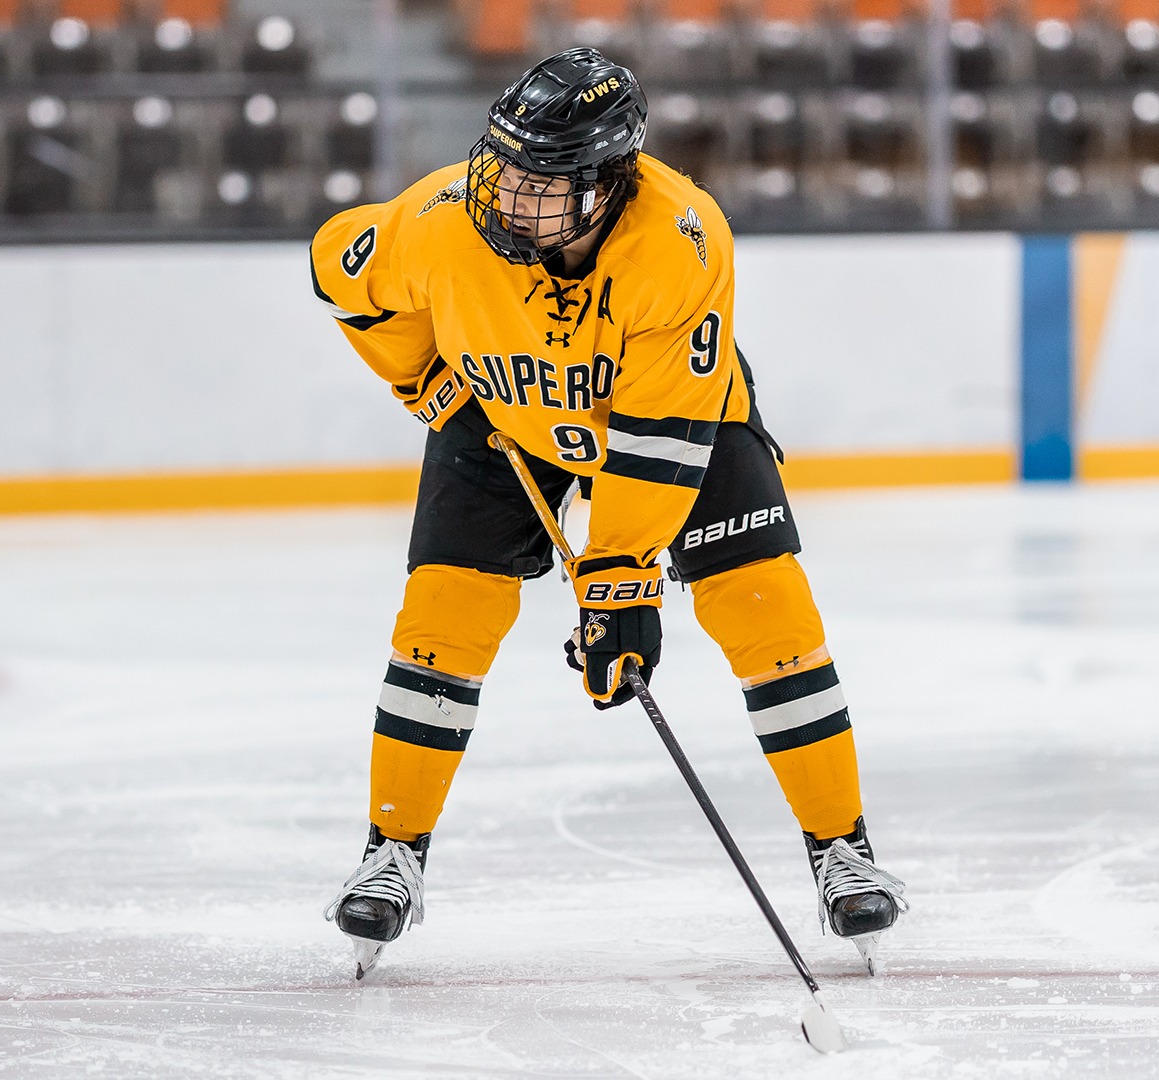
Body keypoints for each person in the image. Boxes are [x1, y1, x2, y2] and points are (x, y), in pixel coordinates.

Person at [307, 48, 906, 979]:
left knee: (768, 614)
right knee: (440, 625)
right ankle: (394, 853)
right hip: (504, 417)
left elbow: (660, 437)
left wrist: (621, 581)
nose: (507, 197)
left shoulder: (681, 240)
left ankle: (842, 847)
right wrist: (426, 382)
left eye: (540, 184)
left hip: (671, 421)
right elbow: (339, 271)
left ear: (605, 185)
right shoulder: (439, 222)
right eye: (503, 169)